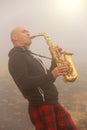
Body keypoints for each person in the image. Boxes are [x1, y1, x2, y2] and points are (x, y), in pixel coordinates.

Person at [8, 26, 78, 130]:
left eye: (28, 31)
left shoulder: (29, 56)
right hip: (41, 105)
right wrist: (51, 75)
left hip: (52, 102)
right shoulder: (17, 57)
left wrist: (55, 58)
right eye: (24, 32)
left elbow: (48, 80)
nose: (28, 33)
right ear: (15, 37)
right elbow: (24, 83)